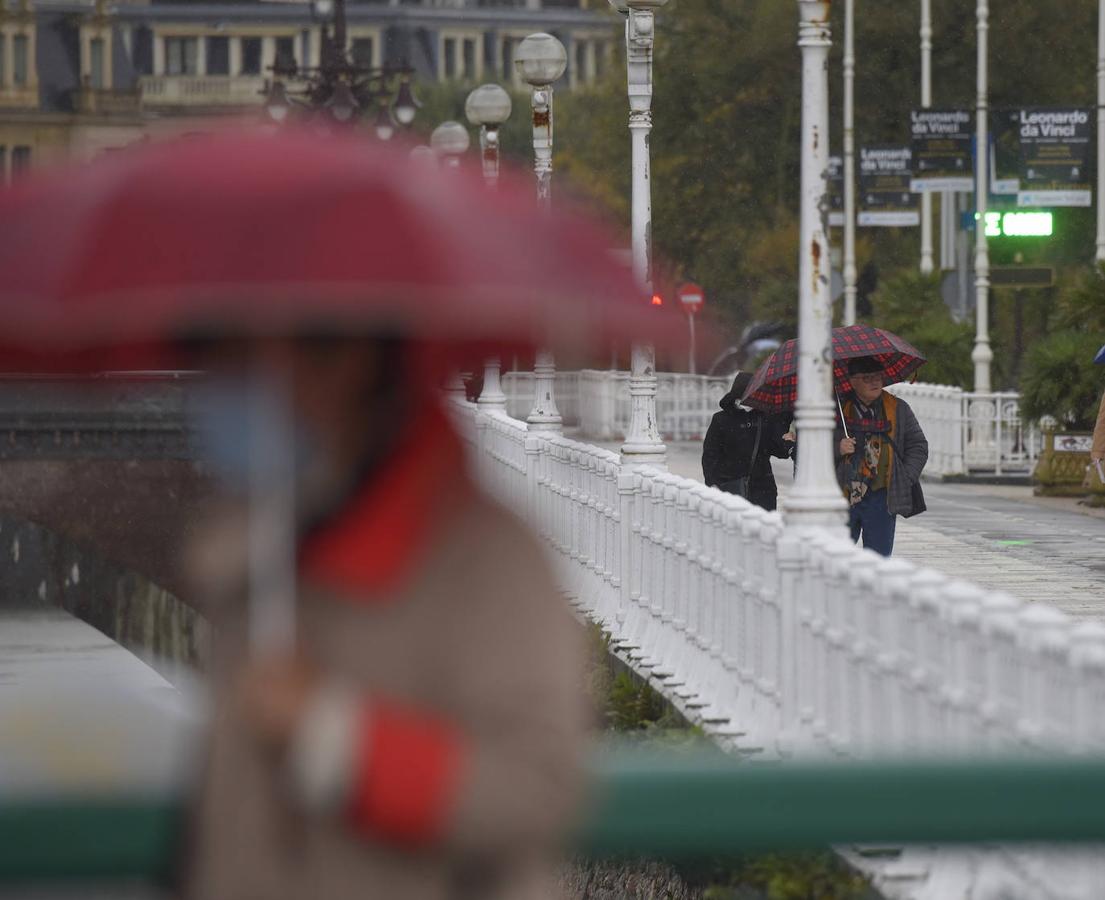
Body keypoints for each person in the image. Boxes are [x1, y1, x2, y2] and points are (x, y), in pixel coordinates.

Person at [0, 337, 589, 900]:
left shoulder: (486, 560)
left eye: (248, 356)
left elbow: (535, 787)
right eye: (216, 351)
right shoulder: (254, 552)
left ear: (353, 364)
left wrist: (334, 734)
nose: (224, 384)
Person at [835, 356, 928, 556]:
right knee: (837, 559)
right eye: (867, 378)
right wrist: (838, 448)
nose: (875, 382)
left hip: (881, 497)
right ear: (852, 381)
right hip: (842, 496)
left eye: (878, 376)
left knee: (878, 561)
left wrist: (905, 477)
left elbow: (918, 446)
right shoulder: (838, 409)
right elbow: (809, 449)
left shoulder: (898, 409)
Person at [701, 371, 794, 511]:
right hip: (731, 490)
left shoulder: (765, 417)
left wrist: (787, 440)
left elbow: (776, 448)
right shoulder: (721, 420)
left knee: (764, 530)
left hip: (763, 490)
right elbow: (710, 455)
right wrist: (713, 485)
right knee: (734, 531)